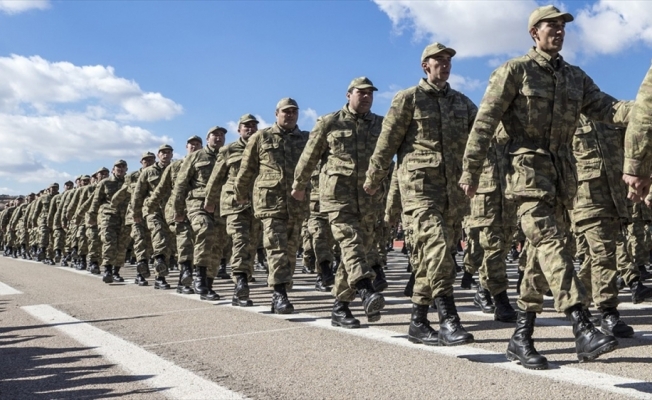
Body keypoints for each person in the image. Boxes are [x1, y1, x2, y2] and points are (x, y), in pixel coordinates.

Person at [459, 5, 631, 369]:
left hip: (563, 175)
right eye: (551, 25)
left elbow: (608, 108)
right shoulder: (514, 71)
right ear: (533, 33)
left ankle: (521, 336)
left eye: (562, 26)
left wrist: (643, 111)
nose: (559, 31)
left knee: (541, 254)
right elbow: (484, 122)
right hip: (525, 171)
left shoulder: (574, 76)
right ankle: (581, 323)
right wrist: (470, 171)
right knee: (550, 242)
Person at [365, 43, 476, 346]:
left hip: (452, 192)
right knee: (438, 247)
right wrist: (374, 178)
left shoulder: (462, 103)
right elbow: (386, 143)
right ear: (424, 66)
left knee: (433, 257)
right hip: (418, 189)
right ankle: (449, 319)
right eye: (438, 59)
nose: (445, 64)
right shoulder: (408, 99)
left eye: (448, 60)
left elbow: (481, 136)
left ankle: (417, 322)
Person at [293, 78, 386, 327]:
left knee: (355, 253)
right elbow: (309, 156)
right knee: (351, 242)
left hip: (368, 199)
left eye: (370, 94)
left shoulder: (381, 124)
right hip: (337, 196)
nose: (366, 97)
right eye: (361, 92)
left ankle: (340, 306)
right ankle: (366, 290)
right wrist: (299, 186)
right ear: (348, 95)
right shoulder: (329, 122)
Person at [235, 98, 310, 314]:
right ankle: (279, 294)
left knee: (290, 250)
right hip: (270, 203)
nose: (290, 115)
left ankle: (282, 289)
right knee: (276, 246)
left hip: (296, 204)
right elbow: (247, 168)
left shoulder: (305, 138)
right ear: (276, 113)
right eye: (286, 111)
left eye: (294, 111)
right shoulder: (261, 137)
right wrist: (241, 193)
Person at [205, 114, 261, 306]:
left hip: (257, 204)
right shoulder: (229, 150)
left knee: (252, 246)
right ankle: (239, 284)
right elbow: (216, 177)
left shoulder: (263, 146)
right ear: (239, 130)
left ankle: (243, 278)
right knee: (239, 241)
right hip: (234, 204)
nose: (250, 129)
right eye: (246, 126)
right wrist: (210, 201)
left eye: (254, 126)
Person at [173, 126, 226, 301]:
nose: (218, 138)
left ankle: (208, 283)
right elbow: (181, 184)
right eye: (214, 135)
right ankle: (199, 278)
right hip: (198, 203)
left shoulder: (227, 155)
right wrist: (178, 211)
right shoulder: (197, 156)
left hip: (221, 205)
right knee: (205, 229)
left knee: (218, 244)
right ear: (208, 138)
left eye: (221, 135)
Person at [88, 160, 129, 283]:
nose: (120, 169)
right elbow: (96, 201)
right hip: (108, 216)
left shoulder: (129, 182)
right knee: (109, 243)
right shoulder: (105, 183)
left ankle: (116, 271)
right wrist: (92, 216)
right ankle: (107, 269)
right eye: (118, 167)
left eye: (123, 167)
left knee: (122, 245)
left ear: (126, 169)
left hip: (125, 217)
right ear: (113, 169)